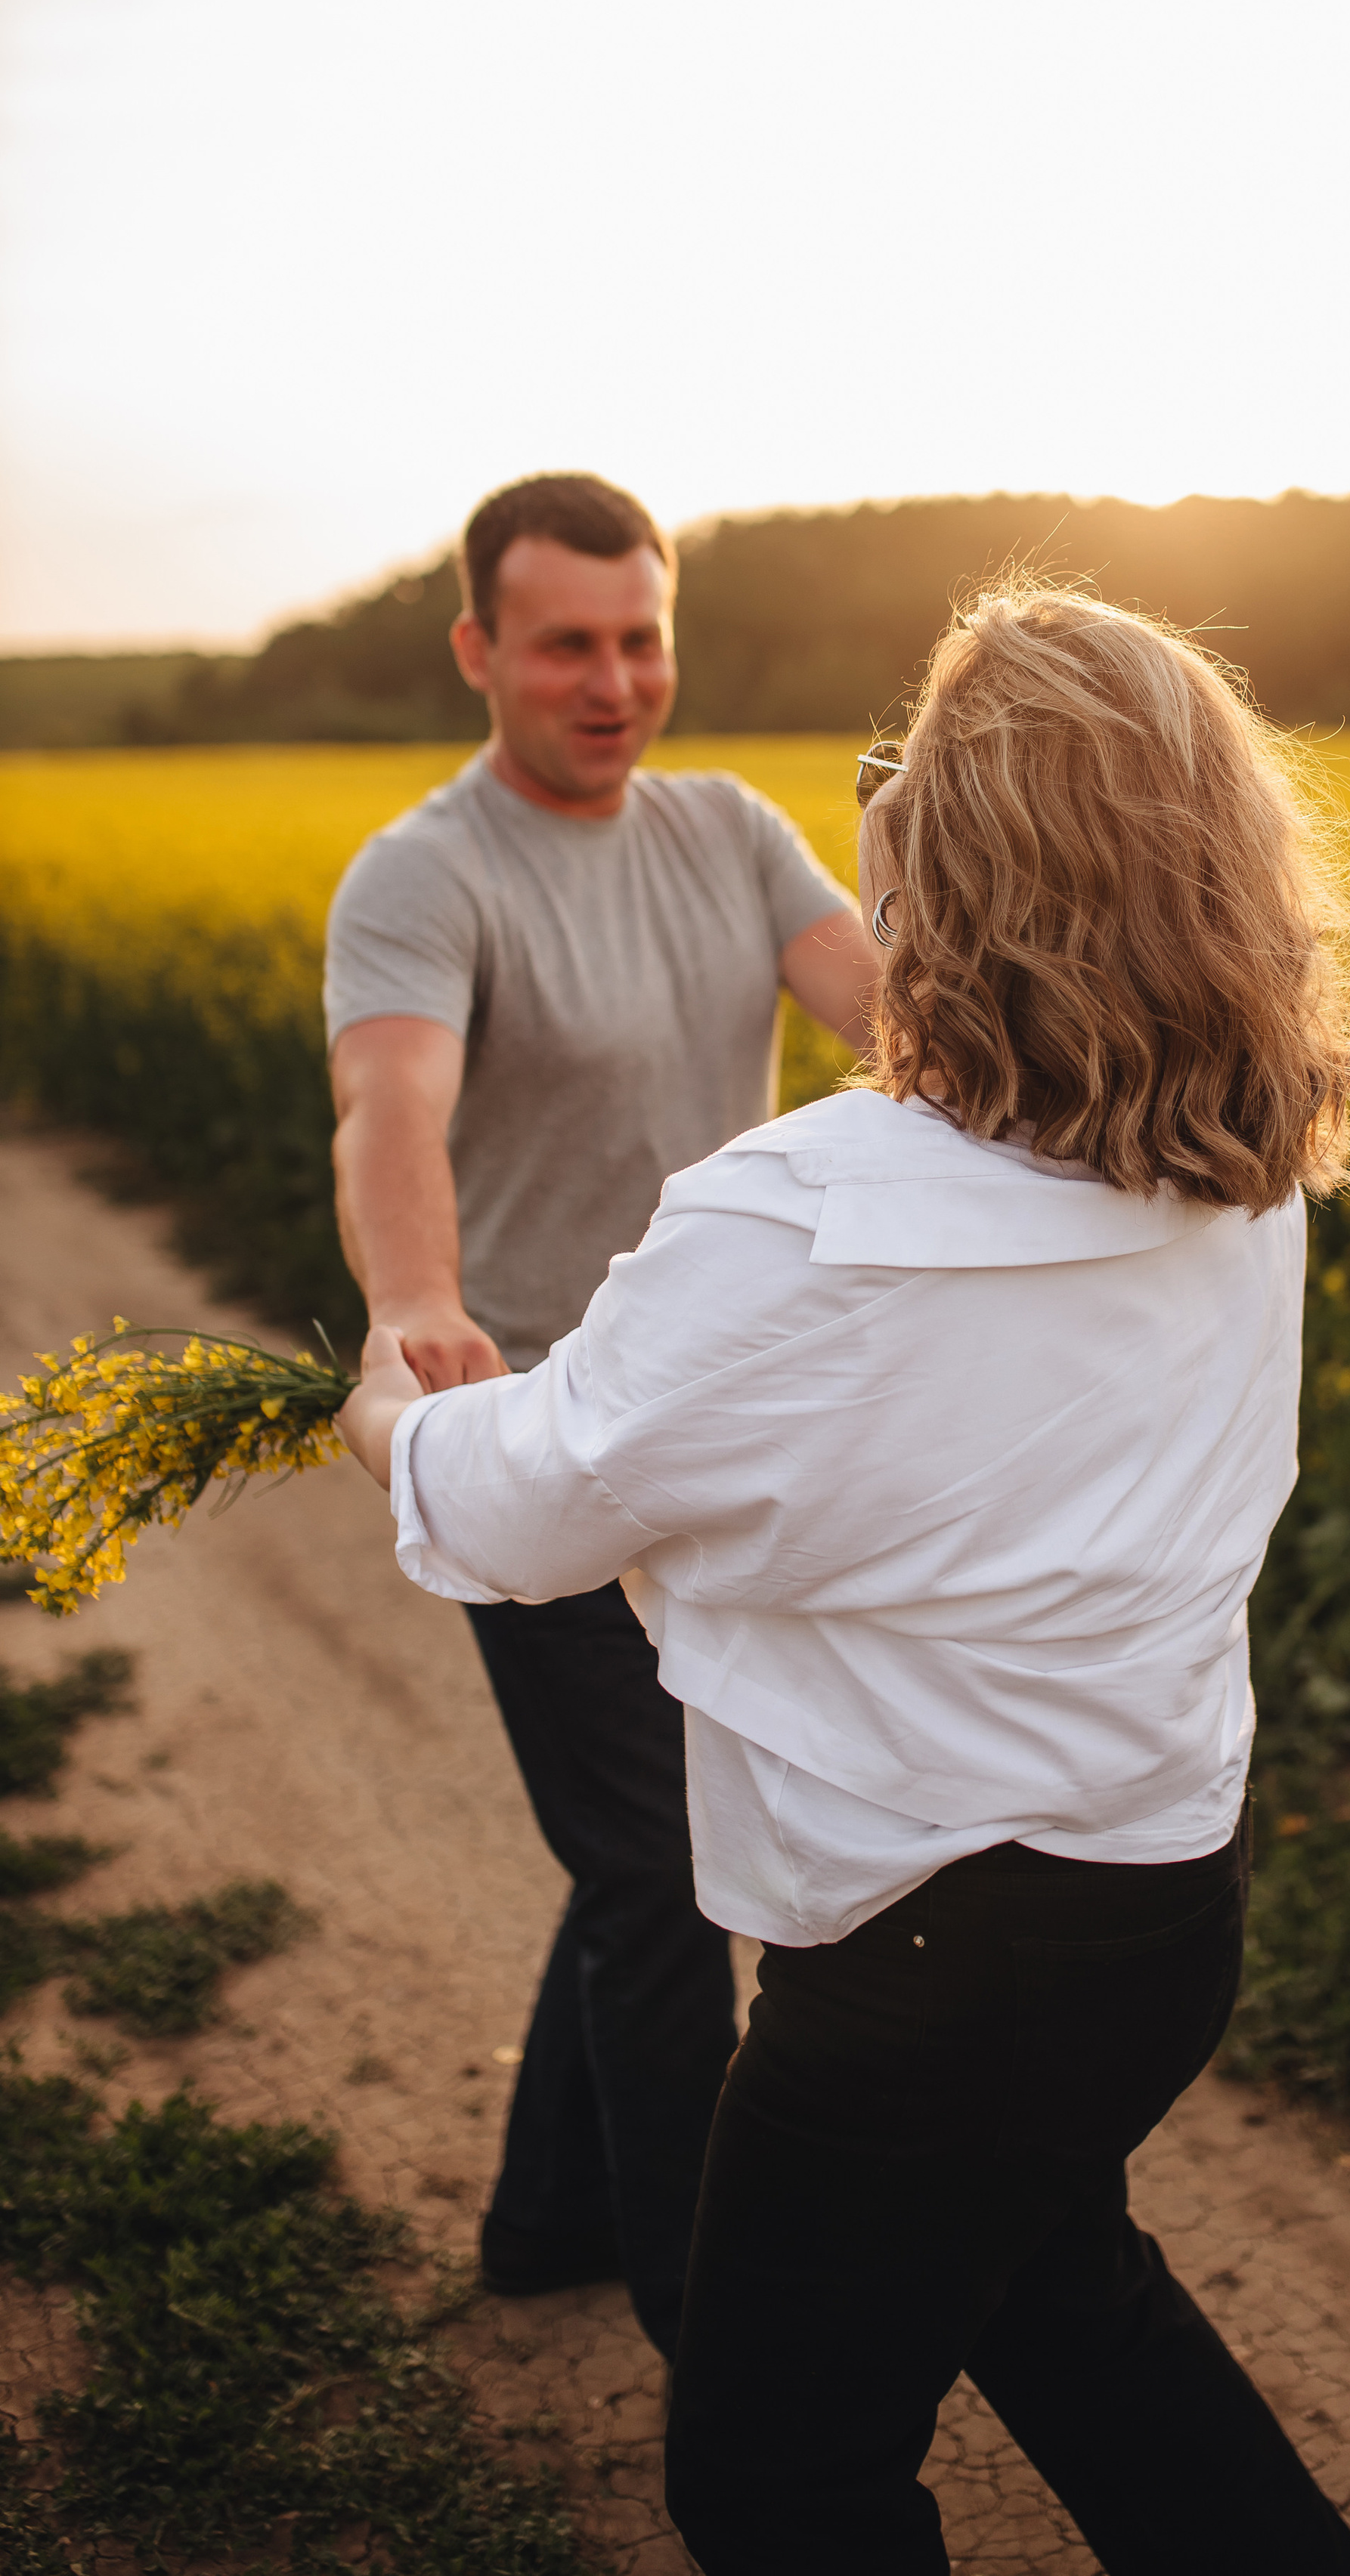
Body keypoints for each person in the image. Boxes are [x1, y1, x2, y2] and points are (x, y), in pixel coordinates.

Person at [342, 583, 1350, 2574]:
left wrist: (395, 1412)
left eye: (898, 777)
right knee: (1064, 2309)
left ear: (948, 856)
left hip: (926, 1965)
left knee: (780, 2480)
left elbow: (527, 1513)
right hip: (1159, 1902)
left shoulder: (804, 1221)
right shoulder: (1237, 1161)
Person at [323, 471, 879, 2355]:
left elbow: (892, 1021)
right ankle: (703, 2320)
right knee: (658, 1865)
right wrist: (414, 1310)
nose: (612, 680)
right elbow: (389, 1105)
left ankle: (545, 2218)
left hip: (721, 1428)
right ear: (479, 649)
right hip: (540, 1437)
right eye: (565, 643)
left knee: (635, 1847)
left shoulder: (730, 833)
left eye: (640, 638)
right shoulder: (426, 871)